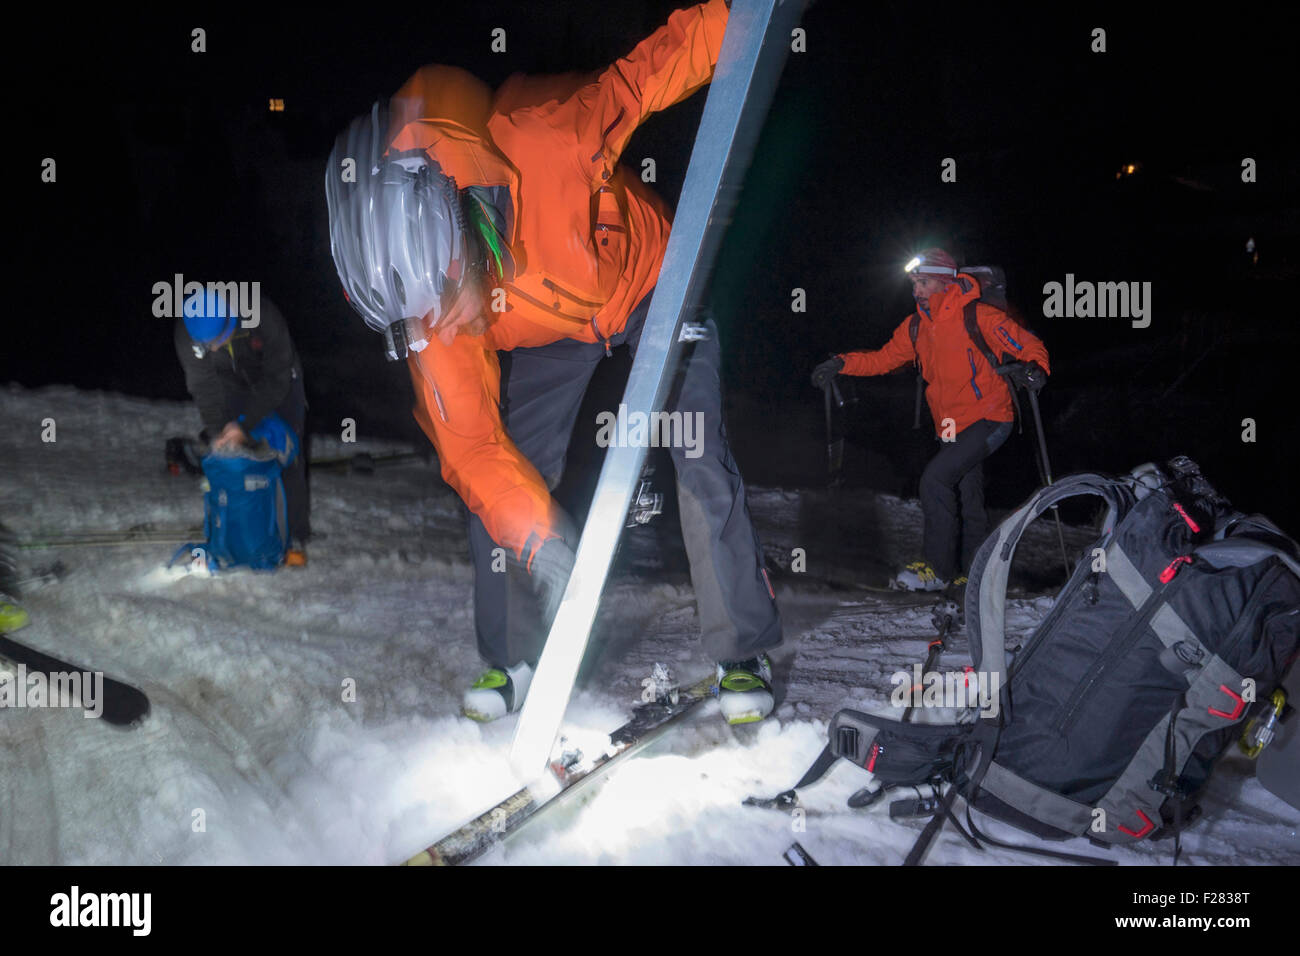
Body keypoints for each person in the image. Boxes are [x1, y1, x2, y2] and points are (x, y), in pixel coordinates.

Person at [325, 0, 783, 724]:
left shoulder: (549, 137)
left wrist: (747, 17)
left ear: (463, 216)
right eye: (426, 309)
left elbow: (657, 67)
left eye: (448, 290)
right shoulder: (429, 307)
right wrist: (542, 542)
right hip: (550, 332)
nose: (446, 317)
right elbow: (472, 448)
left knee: (696, 454)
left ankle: (741, 650)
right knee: (503, 483)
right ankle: (511, 656)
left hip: (651, 283)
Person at [812, 248, 1050, 592]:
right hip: (950, 425)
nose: (916, 290)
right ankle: (974, 575)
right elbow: (883, 359)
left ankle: (936, 570)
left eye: (922, 282)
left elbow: (1029, 346)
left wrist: (1036, 369)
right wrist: (841, 363)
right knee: (969, 497)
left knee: (935, 480)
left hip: (991, 417)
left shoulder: (978, 316)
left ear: (943, 282)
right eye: (913, 283)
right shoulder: (916, 327)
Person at [173, 290, 311, 565]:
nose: (211, 349)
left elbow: (278, 377)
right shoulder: (186, 332)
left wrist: (245, 425)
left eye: (216, 341)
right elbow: (203, 387)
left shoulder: (261, 315)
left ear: (230, 319)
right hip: (231, 383)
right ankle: (240, 528)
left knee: (287, 451)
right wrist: (221, 431)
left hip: (279, 381)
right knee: (235, 453)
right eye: (205, 346)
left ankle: (295, 535)